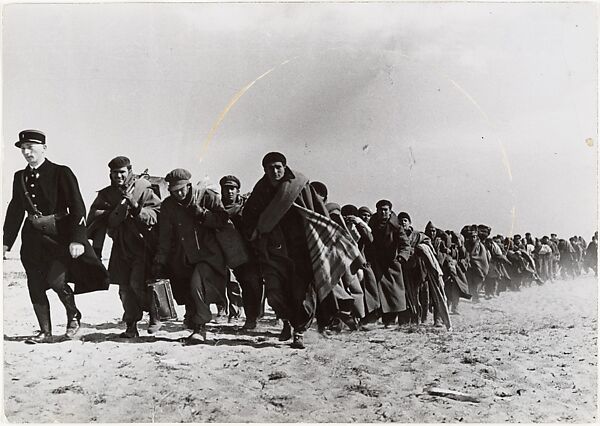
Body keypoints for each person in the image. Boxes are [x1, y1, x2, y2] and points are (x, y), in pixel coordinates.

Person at [243, 152, 361, 349]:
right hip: (273, 250)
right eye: (270, 168)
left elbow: (318, 210)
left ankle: (299, 331)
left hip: (301, 249)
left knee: (302, 294)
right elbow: (249, 216)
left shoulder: (299, 184)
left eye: (278, 166)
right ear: (264, 170)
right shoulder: (260, 189)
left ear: (285, 166)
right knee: (274, 293)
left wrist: (326, 235)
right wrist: (255, 232)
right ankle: (287, 321)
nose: (275, 171)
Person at [3, 130, 109, 343]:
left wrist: (78, 239)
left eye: (31, 147)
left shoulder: (61, 172)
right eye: (23, 148)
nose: (26, 152)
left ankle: (73, 314)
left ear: (43, 148)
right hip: (32, 239)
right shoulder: (19, 177)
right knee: (34, 283)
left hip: (59, 237)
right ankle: (45, 331)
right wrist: (5, 243)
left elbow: (77, 206)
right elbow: (15, 211)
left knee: (56, 280)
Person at [87, 156, 162, 337]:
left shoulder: (143, 189)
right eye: (114, 173)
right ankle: (131, 326)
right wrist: (111, 214)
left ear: (129, 171)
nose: (118, 176)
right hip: (120, 246)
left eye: (122, 172)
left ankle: (154, 314)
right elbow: (94, 217)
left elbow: (156, 213)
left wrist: (136, 208)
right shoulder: (106, 194)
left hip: (142, 245)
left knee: (137, 283)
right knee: (123, 289)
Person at [153, 168, 229, 344]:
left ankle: (200, 328)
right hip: (183, 258)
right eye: (174, 190)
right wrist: (160, 260)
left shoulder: (206, 196)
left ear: (189, 185)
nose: (179, 193)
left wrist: (202, 213)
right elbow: (165, 237)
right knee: (188, 293)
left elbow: (222, 219)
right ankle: (195, 323)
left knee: (197, 285)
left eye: (182, 189)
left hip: (208, 255)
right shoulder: (168, 206)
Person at [219, 174, 263, 330]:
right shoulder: (217, 208)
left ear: (238, 191)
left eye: (233, 188)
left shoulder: (247, 207)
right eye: (226, 188)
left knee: (252, 284)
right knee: (239, 285)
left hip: (251, 251)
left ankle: (252, 318)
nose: (230, 192)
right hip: (231, 252)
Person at [365, 200, 411, 327]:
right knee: (376, 291)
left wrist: (402, 256)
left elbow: (405, 244)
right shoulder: (372, 223)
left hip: (391, 264)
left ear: (390, 211)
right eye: (380, 210)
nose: (383, 212)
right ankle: (375, 317)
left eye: (385, 210)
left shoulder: (396, 226)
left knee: (393, 293)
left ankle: (391, 320)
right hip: (376, 262)